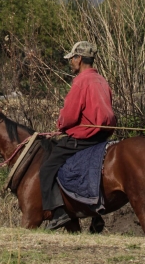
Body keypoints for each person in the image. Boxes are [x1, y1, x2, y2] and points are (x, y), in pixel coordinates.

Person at [40, 40, 116, 230]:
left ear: (79, 58)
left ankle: (58, 213)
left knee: (47, 168)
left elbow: (69, 116)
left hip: (85, 138)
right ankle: (95, 214)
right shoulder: (101, 80)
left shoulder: (81, 81)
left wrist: (60, 124)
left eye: (72, 59)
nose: (70, 63)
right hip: (102, 138)